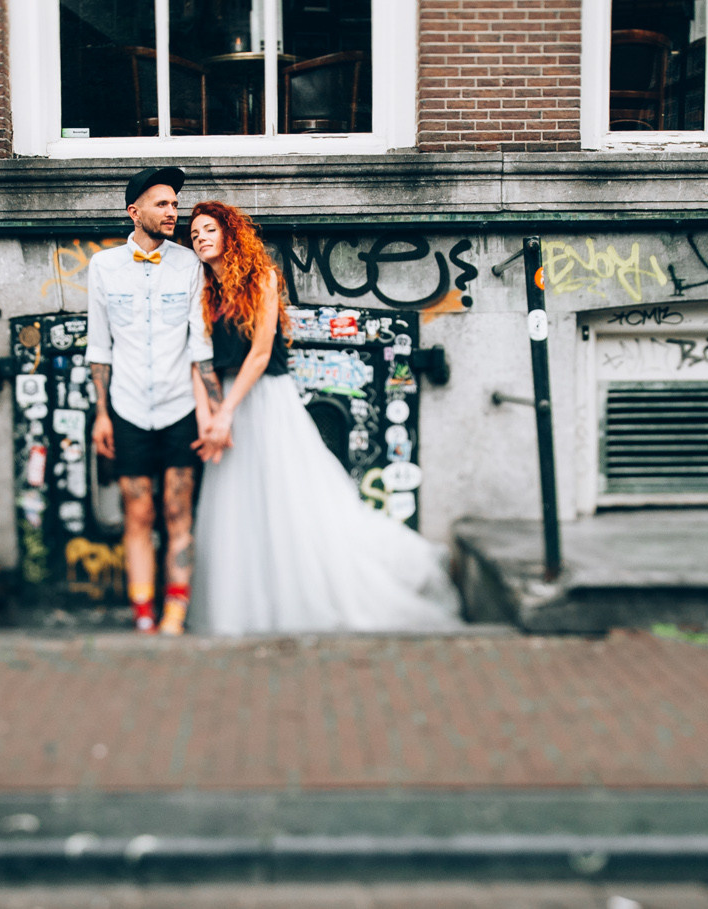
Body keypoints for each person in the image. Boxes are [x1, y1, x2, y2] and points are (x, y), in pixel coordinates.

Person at [186, 200, 461, 635]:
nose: (200, 237)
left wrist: (227, 413)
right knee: (239, 511)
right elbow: (199, 359)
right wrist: (210, 415)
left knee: (288, 504)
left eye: (208, 229)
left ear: (229, 235)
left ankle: (304, 600)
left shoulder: (262, 279)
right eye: (194, 233)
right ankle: (251, 609)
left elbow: (259, 354)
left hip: (264, 402)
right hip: (227, 408)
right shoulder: (203, 291)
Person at [86, 166, 212, 634]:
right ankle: (143, 617)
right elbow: (99, 346)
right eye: (163, 204)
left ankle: (175, 616)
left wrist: (208, 411)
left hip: (181, 406)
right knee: (137, 513)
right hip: (127, 407)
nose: (172, 212)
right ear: (133, 211)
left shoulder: (191, 264)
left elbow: (201, 344)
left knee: (178, 512)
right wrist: (102, 414)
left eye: (175, 204)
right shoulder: (103, 267)